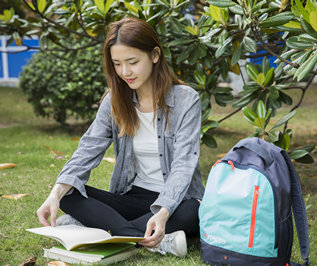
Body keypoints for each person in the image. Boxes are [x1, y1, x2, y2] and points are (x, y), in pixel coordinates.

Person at [36, 17, 205, 258]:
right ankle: (155, 241)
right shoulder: (114, 100)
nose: (125, 72)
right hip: (134, 197)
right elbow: (88, 149)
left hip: (177, 200)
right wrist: (54, 195)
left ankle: (101, 229)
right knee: (69, 194)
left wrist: (163, 212)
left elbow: (183, 164)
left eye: (132, 62)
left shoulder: (186, 99)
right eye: (117, 63)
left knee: (192, 210)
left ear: (155, 55)